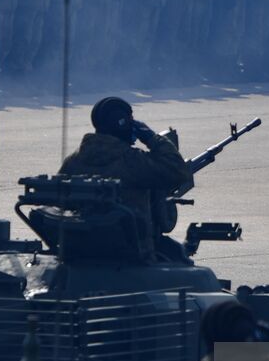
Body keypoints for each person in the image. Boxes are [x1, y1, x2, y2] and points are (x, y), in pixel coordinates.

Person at [58, 97, 192, 256]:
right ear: (123, 125)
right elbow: (178, 171)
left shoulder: (73, 161)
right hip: (130, 252)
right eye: (131, 122)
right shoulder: (133, 161)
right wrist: (152, 138)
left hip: (82, 249)